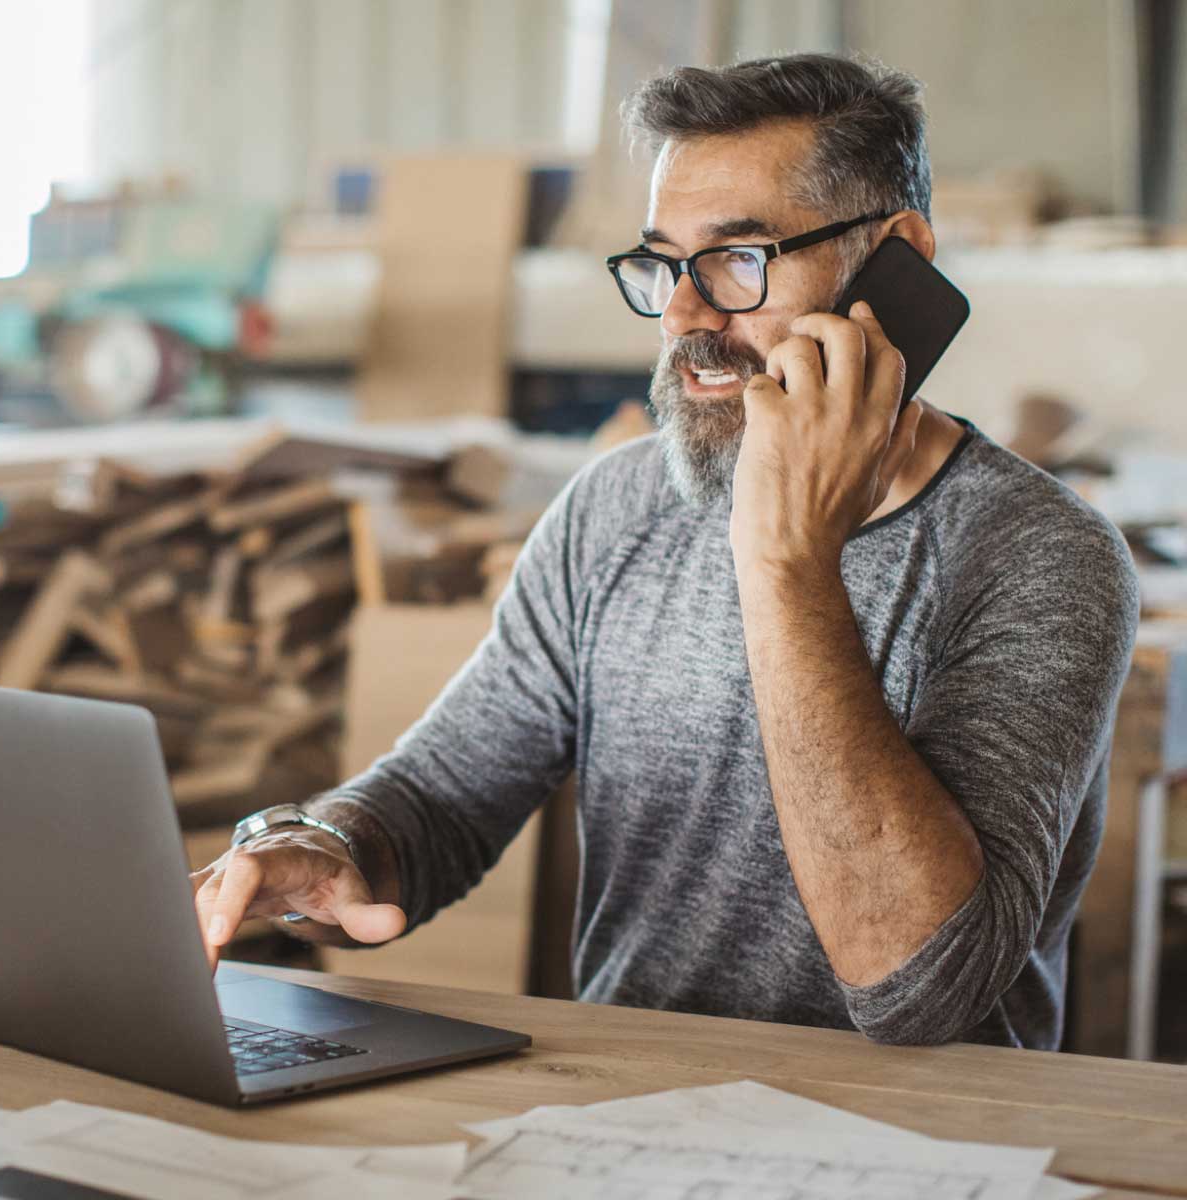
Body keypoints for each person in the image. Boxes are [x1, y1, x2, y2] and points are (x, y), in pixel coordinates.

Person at [193, 53, 1138, 1048]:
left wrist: (786, 558)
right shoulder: (615, 509)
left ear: (895, 262)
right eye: (662, 265)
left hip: (924, 1150)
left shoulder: (1043, 555)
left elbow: (921, 988)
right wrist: (322, 842)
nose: (686, 316)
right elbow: (442, 794)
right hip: (634, 1122)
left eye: (740, 260)